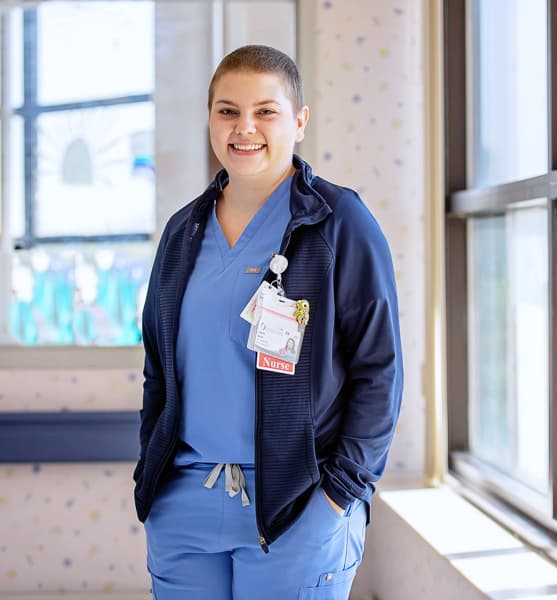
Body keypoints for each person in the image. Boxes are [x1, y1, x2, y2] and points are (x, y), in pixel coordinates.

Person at [132, 44, 403, 599]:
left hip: (298, 505)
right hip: (184, 505)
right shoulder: (182, 232)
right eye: (227, 110)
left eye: (267, 111)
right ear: (210, 119)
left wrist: (338, 496)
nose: (244, 127)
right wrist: (153, 487)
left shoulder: (338, 223)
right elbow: (158, 370)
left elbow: (379, 371)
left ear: (299, 121)